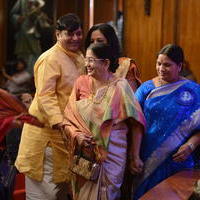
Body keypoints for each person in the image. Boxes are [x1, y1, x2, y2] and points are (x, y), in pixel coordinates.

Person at [15, 13, 84, 200]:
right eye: (69, 34)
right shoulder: (50, 58)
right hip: (46, 137)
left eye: (78, 33)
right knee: (43, 195)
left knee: (60, 193)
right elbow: (46, 96)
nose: (75, 38)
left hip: (66, 138)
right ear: (58, 35)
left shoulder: (79, 57)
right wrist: (62, 124)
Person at [63, 43, 146, 200]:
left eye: (91, 60)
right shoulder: (81, 82)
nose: (87, 64)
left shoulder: (121, 87)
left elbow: (136, 122)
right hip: (83, 155)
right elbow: (68, 118)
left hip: (111, 155)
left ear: (106, 63)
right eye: (86, 60)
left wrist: (135, 156)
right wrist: (76, 135)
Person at [133, 44, 200, 199]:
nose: (161, 68)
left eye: (167, 65)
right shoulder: (146, 89)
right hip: (147, 159)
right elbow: (135, 123)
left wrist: (191, 145)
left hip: (179, 161)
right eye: (159, 64)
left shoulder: (194, 91)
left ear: (179, 66)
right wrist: (134, 155)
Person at [85, 23, 141, 92]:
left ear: (110, 43)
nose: (95, 44)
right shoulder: (87, 64)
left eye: (100, 41)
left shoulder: (126, 65)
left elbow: (131, 98)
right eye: (92, 41)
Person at [10, 0, 51, 74]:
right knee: (23, 52)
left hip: (34, 32)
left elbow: (42, 20)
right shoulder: (21, 2)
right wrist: (18, 18)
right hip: (23, 31)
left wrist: (41, 17)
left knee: (36, 52)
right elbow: (12, 14)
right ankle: (24, 74)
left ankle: (34, 73)